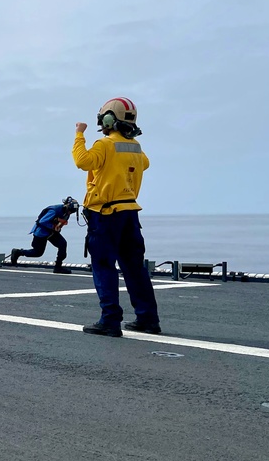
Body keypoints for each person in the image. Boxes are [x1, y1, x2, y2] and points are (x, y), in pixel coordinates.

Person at [73, 97, 160, 337]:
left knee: (103, 266)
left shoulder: (104, 144)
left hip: (106, 214)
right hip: (130, 213)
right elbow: (145, 164)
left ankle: (110, 320)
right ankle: (148, 319)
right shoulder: (135, 147)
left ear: (109, 119)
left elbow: (82, 161)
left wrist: (80, 134)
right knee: (134, 268)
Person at [10, 197, 80, 274]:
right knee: (37, 253)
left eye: (72, 212)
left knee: (62, 244)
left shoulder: (67, 213)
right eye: (69, 210)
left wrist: (58, 227)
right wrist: (53, 227)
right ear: (66, 205)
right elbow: (42, 221)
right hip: (41, 232)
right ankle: (18, 252)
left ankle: (58, 267)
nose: (70, 213)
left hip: (51, 232)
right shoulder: (54, 210)